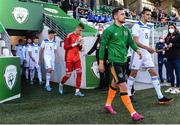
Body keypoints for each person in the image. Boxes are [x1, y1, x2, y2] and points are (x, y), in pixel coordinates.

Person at [98, 7, 144, 121]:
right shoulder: (109, 30)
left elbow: (132, 43)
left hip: (124, 61)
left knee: (115, 83)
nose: (125, 16)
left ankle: (108, 104)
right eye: (122, 14)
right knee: (123, 86)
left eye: (125, 14)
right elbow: (102, 46)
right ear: (115, 16)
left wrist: (137, 50)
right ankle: (133, 113)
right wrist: (101, 62)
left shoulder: (126, 30)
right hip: (114, 61)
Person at [127, 8, 173, 104]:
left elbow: (145, 41)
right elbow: (135, 42)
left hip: (146, 54)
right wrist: (148, 48)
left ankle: (160, 97)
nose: (149, 16)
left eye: (150, 15)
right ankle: (128, 95)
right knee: (133, 74)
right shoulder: (136, 25)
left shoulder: (148, 27)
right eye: (147, 14)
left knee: (154, 73)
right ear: (142, 15)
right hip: (138, 53)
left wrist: (149, 48)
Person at [59, 23, 85, 97]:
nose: (80, 32)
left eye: (81, 31)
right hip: (69, 59)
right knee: (68, 75)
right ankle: (61, 83)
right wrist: (75, 43)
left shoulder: (80, 36)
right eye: (80, 30)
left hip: (77, 58)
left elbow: (79, 48)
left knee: (79, 73)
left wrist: (81, 45)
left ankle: (77, 91)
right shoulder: (69, 35)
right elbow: (65, 47)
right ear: (77, 28)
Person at [164, 24, 180, 94]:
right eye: (169, 27)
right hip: (169, 58)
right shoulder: (167, 37)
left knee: (178, 73)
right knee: (170, 73)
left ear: (175, 28)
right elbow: (165, 46)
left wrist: (173, 45)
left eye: (172, 27)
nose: (170, 29)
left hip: (177, 57)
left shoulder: (178, 35)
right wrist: (165, 56)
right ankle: (172, 86)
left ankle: (178, 87)